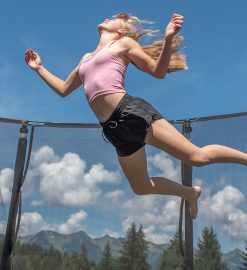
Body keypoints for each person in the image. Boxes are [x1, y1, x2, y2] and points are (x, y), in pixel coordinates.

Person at [25, 13, 247, 220]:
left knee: (197, 158)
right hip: (113, 130)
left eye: (113, 18)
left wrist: (168, 38)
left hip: (131, 113)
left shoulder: (123, 44)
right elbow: (64, 89)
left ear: (121, 31)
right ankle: (189, 193)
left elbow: (158, 72)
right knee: (141, 187)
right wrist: (39, 68)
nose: (107, 18)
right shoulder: (85, 58)